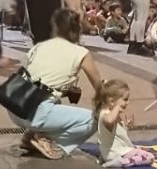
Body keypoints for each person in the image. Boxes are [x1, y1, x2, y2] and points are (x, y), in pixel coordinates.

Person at [9, 8, 103, 159]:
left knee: (52, 99)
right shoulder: (81, 53)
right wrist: (115, 110)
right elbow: (101, 89)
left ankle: (32, 135)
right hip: (38, 113)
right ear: (78, 28)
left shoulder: (38, 47)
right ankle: (47, 140)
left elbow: (34, 78)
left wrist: (63, 89)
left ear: (54, 27)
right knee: (95, 119)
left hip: (16, 107)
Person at [93, 78, 155, 167]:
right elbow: (109, 121)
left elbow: (116, 134)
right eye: (125, 99)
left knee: (139, 147)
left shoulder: (111, 113)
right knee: (149, 157)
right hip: (117, 153)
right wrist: (117, 107)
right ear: (112, 101)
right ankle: (121, 162)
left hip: (113, 151)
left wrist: (126, 126)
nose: (128, 102)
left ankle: (107, 158)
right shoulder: (106, 114)